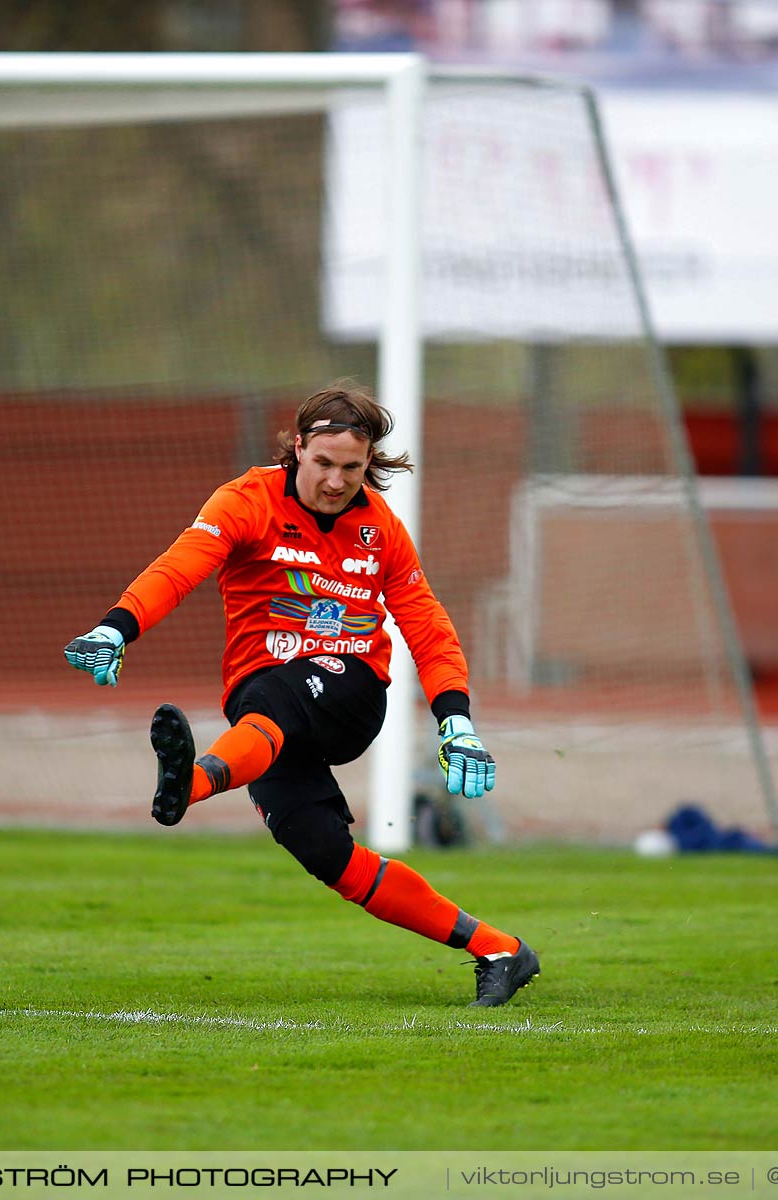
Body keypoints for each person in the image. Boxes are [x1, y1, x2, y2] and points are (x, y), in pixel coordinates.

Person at [64, 382, 539, 1007]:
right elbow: (179, 567)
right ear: (297, 449)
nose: (338, 481)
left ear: (368, 464)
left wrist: (457, 721)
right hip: (262, 713)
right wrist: (115, 627)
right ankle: (500, 949)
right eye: (324, 463)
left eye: (353, 467)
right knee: (326, 854)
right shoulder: (246, 499)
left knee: (278, 697)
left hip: (350, 692)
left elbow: (426, 623)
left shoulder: (381, 529)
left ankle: (195, 781)